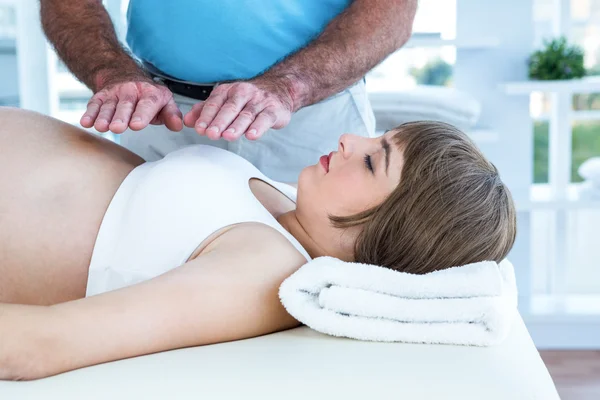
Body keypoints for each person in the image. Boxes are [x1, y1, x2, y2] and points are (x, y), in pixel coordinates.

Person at [0, 107, 516, 380]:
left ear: (392, 228)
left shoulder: (264, 271)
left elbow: (42, 344)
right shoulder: (289, 205)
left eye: (371, 160)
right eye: (376, 135)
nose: (349, 141)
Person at [39, 0, 418, 182]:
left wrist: (291, 87)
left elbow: (391, 10)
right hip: (158, 115)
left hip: (309, 119)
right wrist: (111, 73)